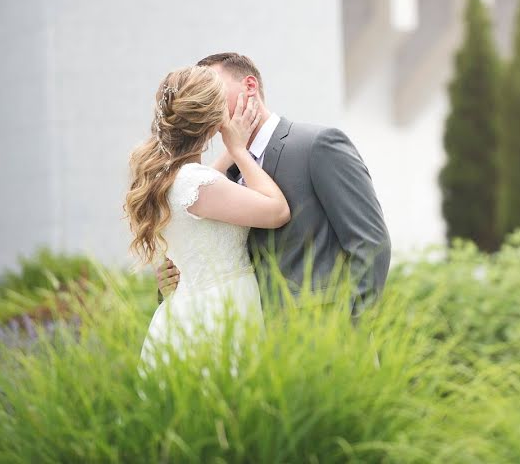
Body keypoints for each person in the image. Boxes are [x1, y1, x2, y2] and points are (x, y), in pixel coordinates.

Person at [154, 53, 391, 323]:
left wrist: (352, 327)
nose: (207, 99)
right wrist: (170, 283)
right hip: (250, 341)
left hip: (325, 335)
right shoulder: (214, 177)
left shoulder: (317, 146)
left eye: (214, 88)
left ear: (250, 87)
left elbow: (370, 243)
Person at [125, 65, 289, 372]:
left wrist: (228, 152)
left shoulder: (168, 176)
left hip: (189, 309)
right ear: (215, 122)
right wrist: (239, 150)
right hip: (220, 313)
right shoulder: (194, 183)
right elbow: (278, 211)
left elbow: (204, 193)